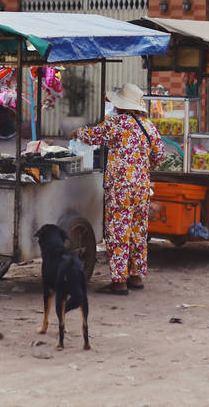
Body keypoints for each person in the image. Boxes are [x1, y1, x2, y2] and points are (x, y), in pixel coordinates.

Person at [73, 82, 164, 295]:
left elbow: (92, 136)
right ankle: (136, 276)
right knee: (137, 230)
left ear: (120, 106)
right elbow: (159, 155)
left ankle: (119, 281)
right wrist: (141, 166)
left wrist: (77, 132)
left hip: (120, 188)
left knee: (118, 230)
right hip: (141, 188)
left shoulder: (117, 123)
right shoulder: (148, 126)